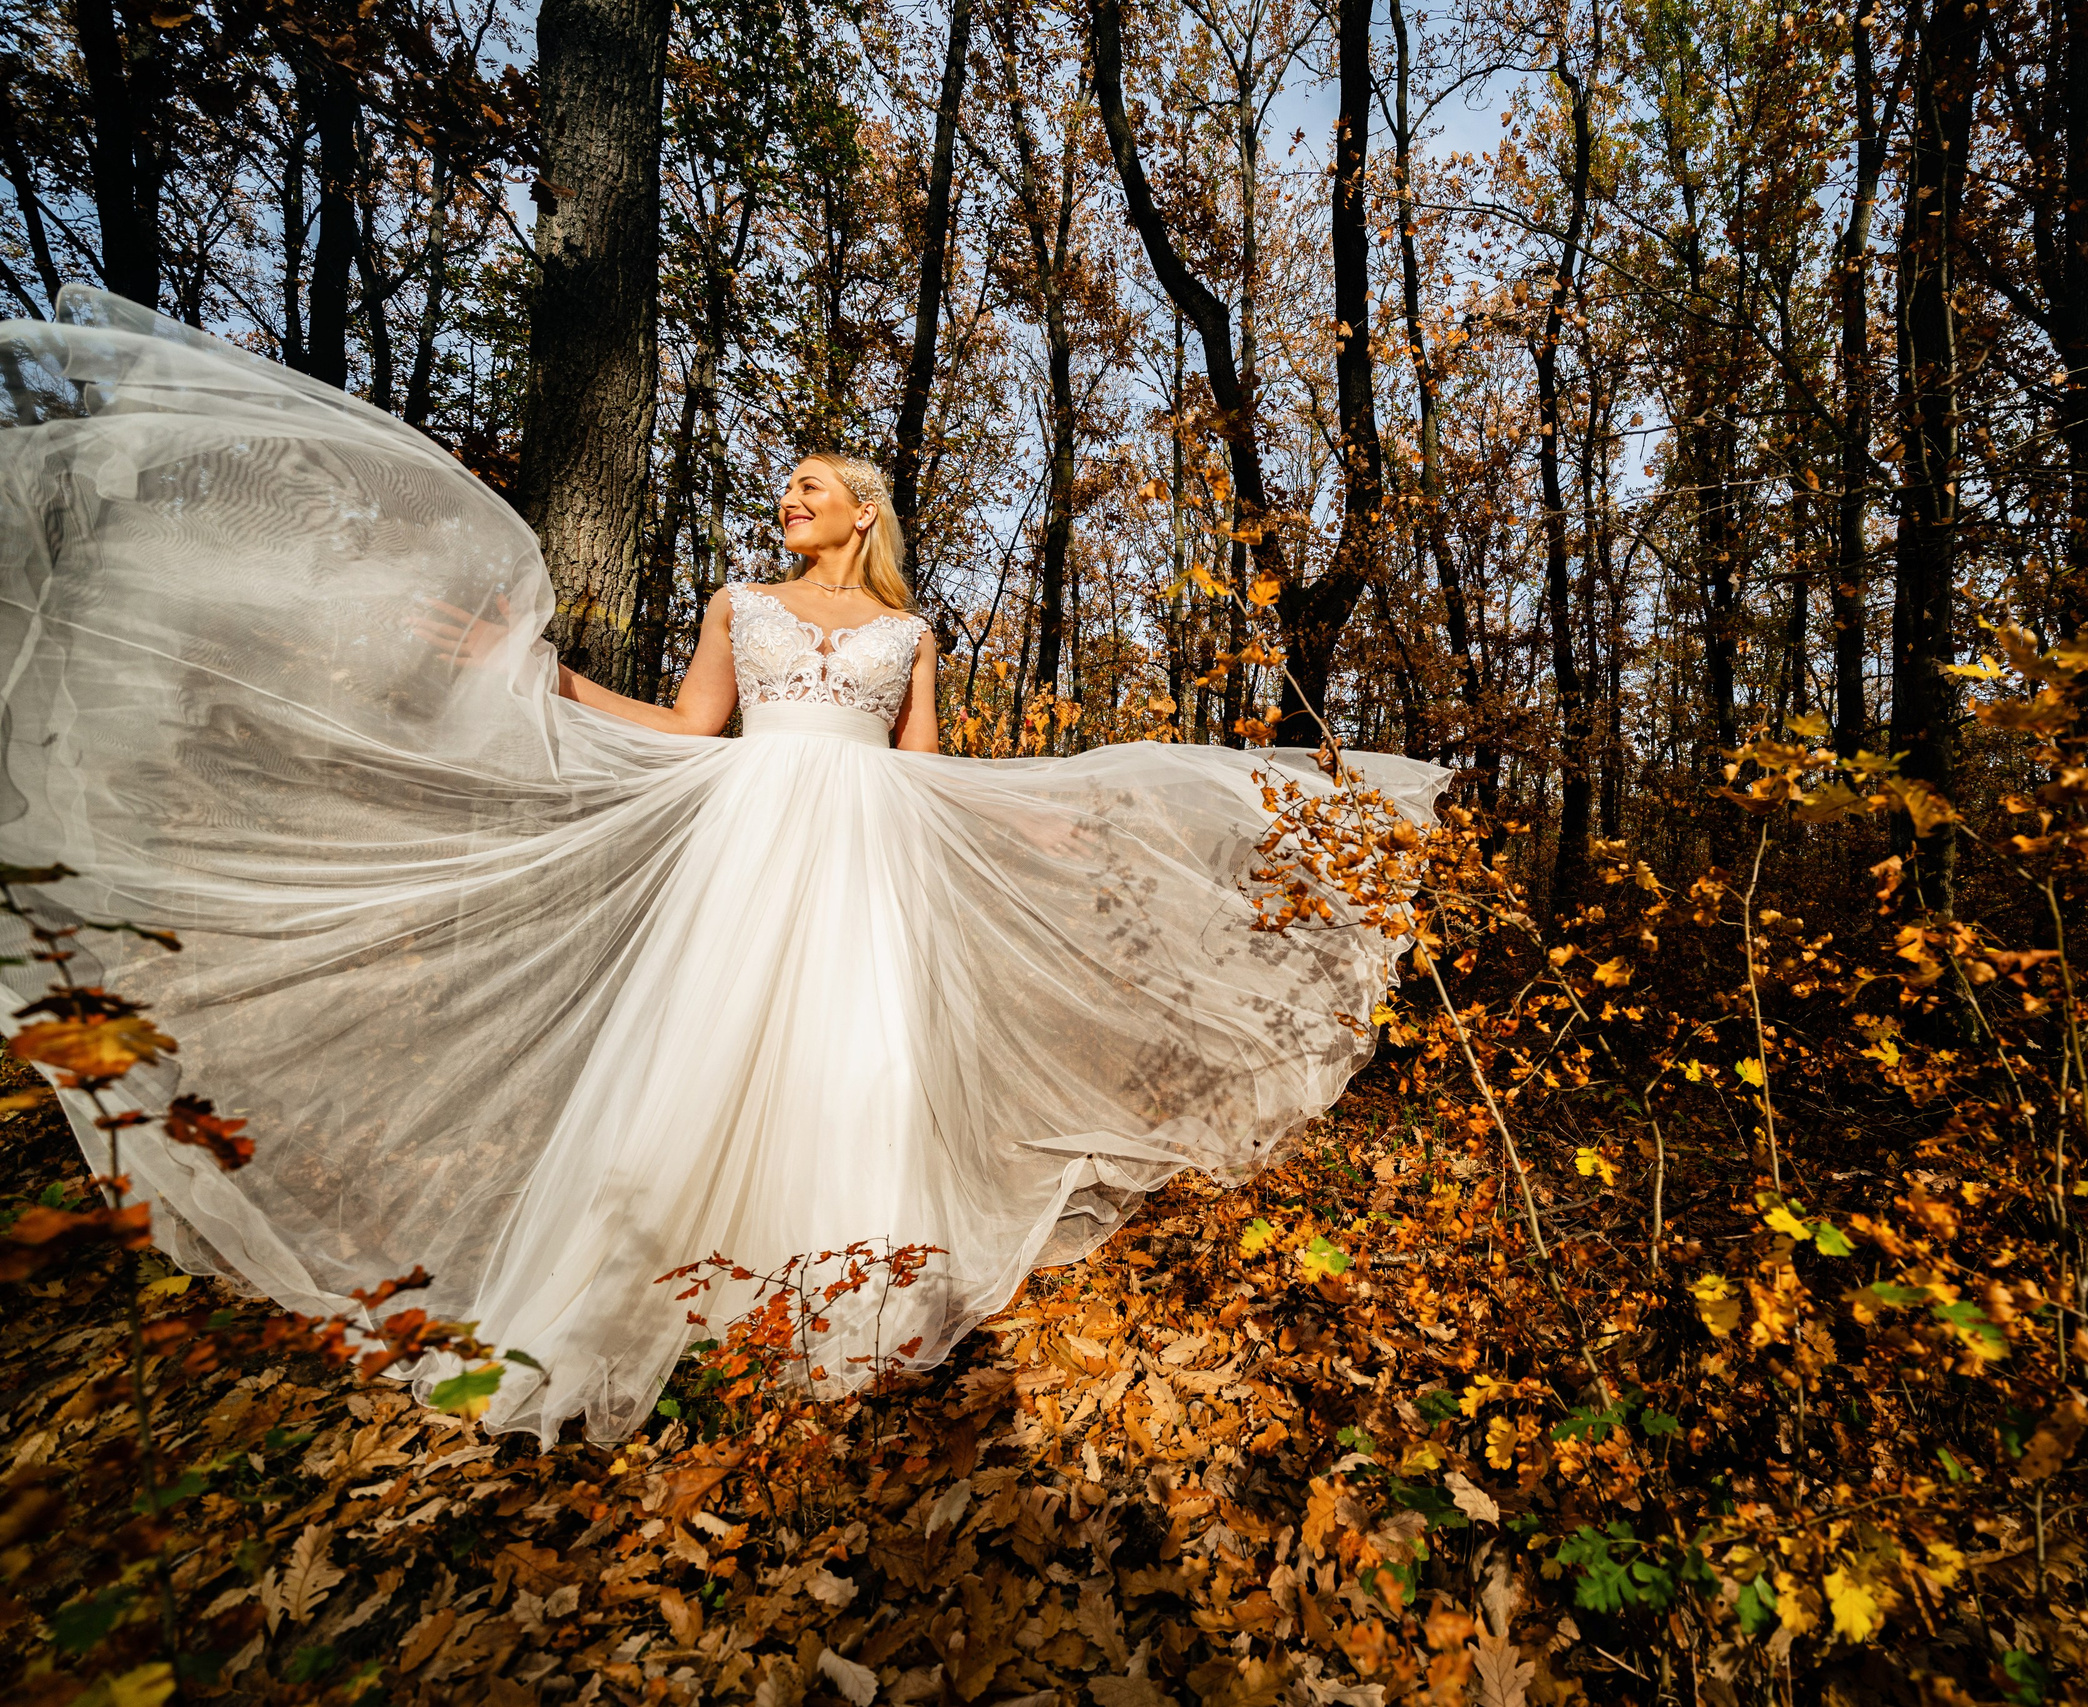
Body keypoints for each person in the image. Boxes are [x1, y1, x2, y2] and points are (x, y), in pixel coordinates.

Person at [0, 288, 1444, 1443]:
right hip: (751, 832)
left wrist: (1031, 821)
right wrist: (547, 685)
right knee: (707, 1049)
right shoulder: (735, 598)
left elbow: (925, 773)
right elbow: (692, 727)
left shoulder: (913, 632)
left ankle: (857, 1309)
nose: (787, 501)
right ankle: (647, 1289)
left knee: (862, 1060)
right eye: (785, 489)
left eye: (809, 486)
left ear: (862, 510)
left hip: (868, 846)